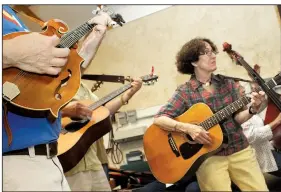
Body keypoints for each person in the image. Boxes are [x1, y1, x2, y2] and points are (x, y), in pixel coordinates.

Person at [2, 5, 114, 191]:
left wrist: (96, 34)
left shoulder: (14, 15)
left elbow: (67, 72)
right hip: (17, 163)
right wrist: (10, 52)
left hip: (49, 159)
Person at [153, 37, 268, 191]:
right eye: (207, 53)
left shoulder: (228, 83)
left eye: (213, 51)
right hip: (208, 158)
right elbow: (159, 119)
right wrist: (188, 129)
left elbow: (237, 118)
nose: (213, 55)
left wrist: (252, 109)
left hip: (239, 149)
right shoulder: (185, 92)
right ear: (193, 62)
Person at [60, 22, 143, 191]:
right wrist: (68, 110)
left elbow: (102, 111)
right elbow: (42, 112)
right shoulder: (49, 85)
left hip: (91, 160)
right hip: (69, 164)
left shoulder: (81, 86)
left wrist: (127, 95)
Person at [237, 82, 281, 177]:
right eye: (238, 88)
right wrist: (277, 121)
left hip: (269, 148)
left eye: (241, 86)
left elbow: (261, 105)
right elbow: (252, 136)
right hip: (258, 157)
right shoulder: (235, 115)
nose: (243, 89)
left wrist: (255, 80)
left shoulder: (245, 107)